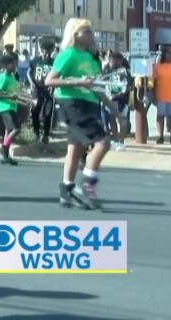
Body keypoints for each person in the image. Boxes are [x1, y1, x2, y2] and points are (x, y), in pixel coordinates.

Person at [44, 18, 116, 210]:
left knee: (75, 147)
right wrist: (77, 82)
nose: (92, 35)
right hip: (72, 104)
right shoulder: (67, 55)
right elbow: (49, 81)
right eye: (88, 31)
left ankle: (66, 191)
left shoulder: (90, 59)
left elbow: (95, 87)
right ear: (76, 34)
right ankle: (88, 183)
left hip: (88, 104)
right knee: (103, 141)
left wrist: (112, 107)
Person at [0, 53, 22, 165]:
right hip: (5, 107)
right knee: (16, 129)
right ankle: (3, 148)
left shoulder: (12, 77)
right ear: (5, 65)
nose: (15, 66)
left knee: (8, 131)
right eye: (12, 64)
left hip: (12, 106)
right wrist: (10, 97)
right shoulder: (3, 77)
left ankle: (5, 156)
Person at [28, 39, 57, 145]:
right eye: (45, 51)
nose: (46, 53)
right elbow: (29, 72)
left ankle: (46, 135)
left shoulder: (54, 62)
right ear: (41, 50)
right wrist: (31, 83)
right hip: (37, 89)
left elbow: (59, 75)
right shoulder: (35, 60)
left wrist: (54, 85)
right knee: (35, 111)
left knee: (47, 113)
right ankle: (36, 132)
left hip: (48, 90)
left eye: (49, 51)